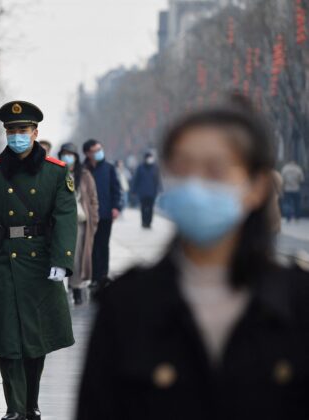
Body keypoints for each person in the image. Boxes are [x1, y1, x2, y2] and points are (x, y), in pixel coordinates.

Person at [77, 97, 309, 420]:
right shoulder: (126, 305)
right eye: (182, 169)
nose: (196, 184)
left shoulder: (298, 302)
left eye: (215, 170)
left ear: (257, 186)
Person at [0, 101, 77, 420]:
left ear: (35, 132)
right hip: (4, 263)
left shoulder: (56, 172)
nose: (17, 136)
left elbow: (66, 216)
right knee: (7, 341)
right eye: (12, 130)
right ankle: (14, 407)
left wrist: (62, 259)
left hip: (41, 264)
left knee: (35, 340)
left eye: (23, 130)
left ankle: (31, 402)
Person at [58, 143, 99, 305]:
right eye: (65, 154)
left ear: (76, 157)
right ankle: (62, 288)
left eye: (71, 154)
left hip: (79, 222)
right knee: (61, 256)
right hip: (60, 223)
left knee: (77, 257)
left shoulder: (85, 175)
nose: (67, 157)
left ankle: (76, 288)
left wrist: (93, 219)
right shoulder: (55, 173)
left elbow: (93, 199)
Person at [83, 139, 122, 288]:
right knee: (91, 246)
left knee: (103, 245)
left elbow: (116, 189)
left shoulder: (109, 168)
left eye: (100, 149)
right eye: (95, 150)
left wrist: (116, 207)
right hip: (89, 216)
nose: (99, 152)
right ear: (87, 153)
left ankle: (103, 276)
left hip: (106, 213)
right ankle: (93, 277)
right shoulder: (84, 169)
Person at [131, 152, 161, 229]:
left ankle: (149, 222)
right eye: (149, 157)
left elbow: (158, 180)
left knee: (150, 208)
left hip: (152, 192)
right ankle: (144, 222)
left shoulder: (155, 168)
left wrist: (159, 189)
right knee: (143, 208)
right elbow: (136, 179)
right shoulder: (140, 167)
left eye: (151, 157)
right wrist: (134, 190)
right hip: (142, 192)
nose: (150, 159)